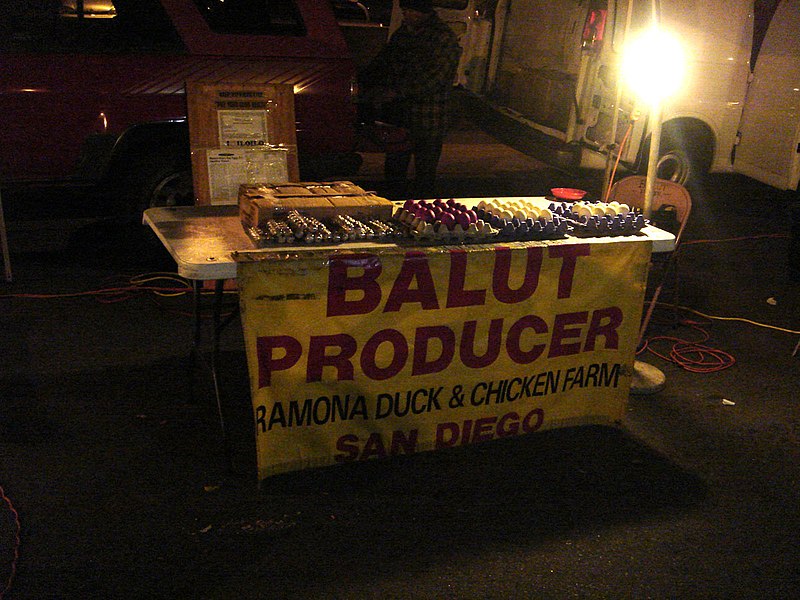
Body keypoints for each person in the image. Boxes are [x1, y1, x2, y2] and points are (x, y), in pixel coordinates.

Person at [359, 0, 461, 199]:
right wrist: (366, 81)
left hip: (429, 117)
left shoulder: (442, 37)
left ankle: (423, 218)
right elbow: (384, 60)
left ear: (423, 11)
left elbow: (435, 79)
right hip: (400, 117)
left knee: (424, 173)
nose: (405, 15)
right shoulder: (403, 33)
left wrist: (397, 92)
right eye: (404, 11)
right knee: (394, 170)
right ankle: (396, 208)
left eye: (409, 11)